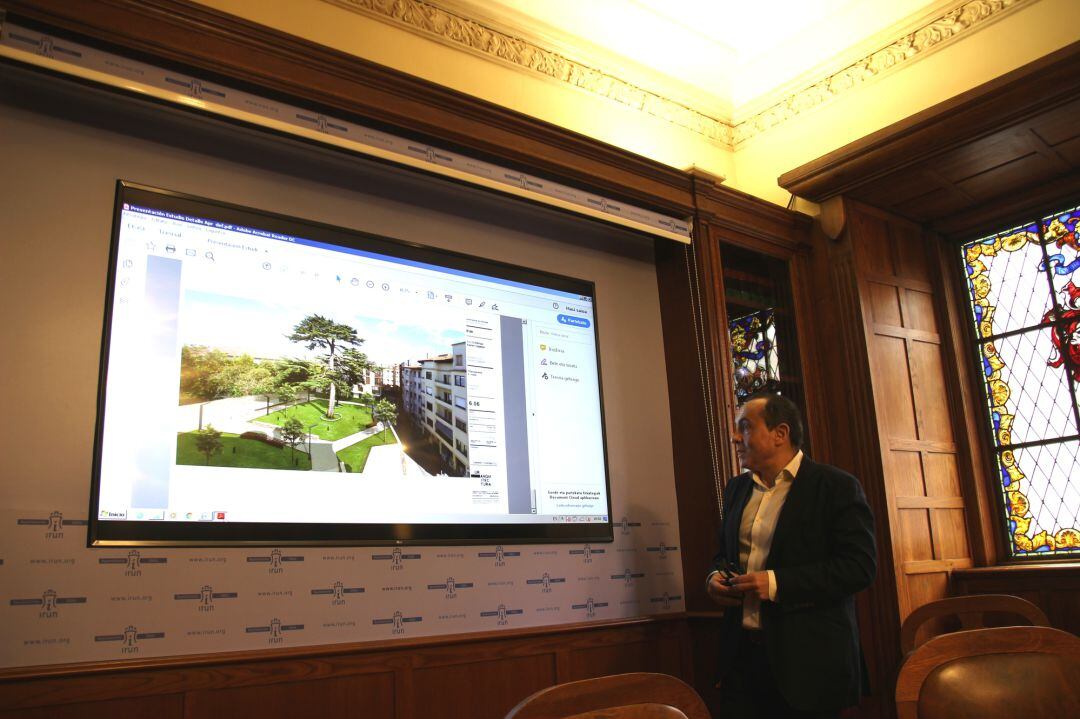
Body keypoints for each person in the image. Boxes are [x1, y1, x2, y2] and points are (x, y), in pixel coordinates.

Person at [707, 392, 876, 717]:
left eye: (744, 427)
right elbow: (722, 555)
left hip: (808, 663)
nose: (734, 437)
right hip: (742, 661)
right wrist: (714, 578)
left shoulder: (835, 486)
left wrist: (774, 583)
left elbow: (859, 567)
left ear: (780, 434)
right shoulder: (736, 489)